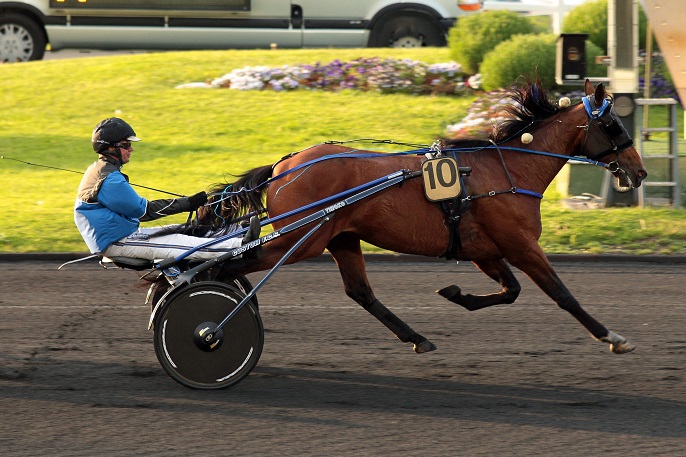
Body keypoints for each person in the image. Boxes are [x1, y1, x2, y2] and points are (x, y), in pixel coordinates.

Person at [74, 117, 259, 261]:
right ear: (110, 148)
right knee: (184, 243)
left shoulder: (101, 170)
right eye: (126, 145)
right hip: (117, 242)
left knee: (185, 230)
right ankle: (242, 243)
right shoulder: (109, 179)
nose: (131, 149)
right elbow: (144, 211)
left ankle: (234, 231)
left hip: (121, 236)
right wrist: (187, 204)